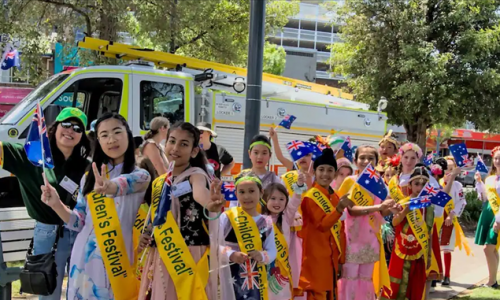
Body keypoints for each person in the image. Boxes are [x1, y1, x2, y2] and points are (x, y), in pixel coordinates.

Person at [41, 112, 151, 300]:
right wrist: (56, 204)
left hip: (116, 261)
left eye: (117, 132)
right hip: (83, 260)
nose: (111, 140)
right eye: (104, 135)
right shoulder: (89, 177)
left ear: (128, 134)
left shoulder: (141, 176)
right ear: (98, 141)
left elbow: (123, 184)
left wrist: (110, 186)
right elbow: (78, 222)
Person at [0, 107, 90, 300]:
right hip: (49, 235)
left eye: (77, 128)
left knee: (81, 292)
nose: (70, 130)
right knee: (49, 293)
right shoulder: (33, 158)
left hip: (82, 233)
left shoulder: (86, 166)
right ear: (55, 127)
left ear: (82, 136)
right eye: (66, 124)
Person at [138, 121, 225, 300]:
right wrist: (145, 234)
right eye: (172, 141)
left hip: (188, 251)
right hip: (162, 250)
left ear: (194, 151)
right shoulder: (159, 181)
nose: (175, 148)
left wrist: (210, 204)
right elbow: (154, 214)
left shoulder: (196, 175)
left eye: (183, 144)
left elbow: (201, 194)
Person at [338, 145, 395, 300]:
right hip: (351, 238)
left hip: (370, 240)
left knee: (365, 279)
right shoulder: (349, 182)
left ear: (376, 162)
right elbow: (351, 210)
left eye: (371, 158)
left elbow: (383, 212)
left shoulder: (380, 184)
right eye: (362, 157)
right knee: (348, 278)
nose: (366, 161)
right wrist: (378, 206)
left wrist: (393, 207)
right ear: (355, 161)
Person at [299, 148, 352, 300]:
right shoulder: (310, 198)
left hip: (332, 259)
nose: (325, 174)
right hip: (315, 259)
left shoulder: (335, 196)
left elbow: (341, 230)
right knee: (317, 294)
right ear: (314, 172)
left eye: (330, 170)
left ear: (335, 174)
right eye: (321, 169)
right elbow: (322, 225)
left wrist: (341, 260)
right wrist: (339, 209)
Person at [219, 171, 277, 300]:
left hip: (256, 277)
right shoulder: (227, 217)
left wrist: (261, 255)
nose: (246, 196)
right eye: (242, 192)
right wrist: (231, 255)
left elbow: (272, 250)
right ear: (236, 194)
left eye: (251, 191)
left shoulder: (266, 222)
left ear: (261, 193)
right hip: (231, 277)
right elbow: (214, 245)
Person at [382, 166, 435, 300]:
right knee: (397, 283)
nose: (420, 187)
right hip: (402, 250)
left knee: (415, 285)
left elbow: (429, 232)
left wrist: (429, 256)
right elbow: (394, 222)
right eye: (417, 183)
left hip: (420, 252)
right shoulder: (404, 202)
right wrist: (405, 210)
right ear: (410, 184)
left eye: (424, 184)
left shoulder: (428, 206)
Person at [262, 180, 306, 300]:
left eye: (281, 199)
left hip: (282, 266)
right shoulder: (260, 219)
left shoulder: (286, 217)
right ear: (265, 199)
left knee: (282, 294)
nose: (277, 202)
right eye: (273, 198)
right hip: (264, 265)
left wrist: (299, 188)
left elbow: (295, 202)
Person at [437, 157, 466, 286]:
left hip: (449, 219)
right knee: (435, 248)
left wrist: (452, 214)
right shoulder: (436, 183)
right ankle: (436, 274)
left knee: (446, 248)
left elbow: (462, 202)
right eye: (446, 169)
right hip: (437, 219)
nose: (448, 172)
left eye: (451, 169)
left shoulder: (458, 185)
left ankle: (447, 275)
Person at [474, 146, 500, 288]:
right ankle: (493, 280)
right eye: (496, 158)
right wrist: (479, 182)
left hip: (498, 215)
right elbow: (485, 198)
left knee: (488, 248)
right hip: (488, 213)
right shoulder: (490, 178)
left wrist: (499, 219)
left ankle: (491, 281)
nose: (498, 161)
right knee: (493, 248)